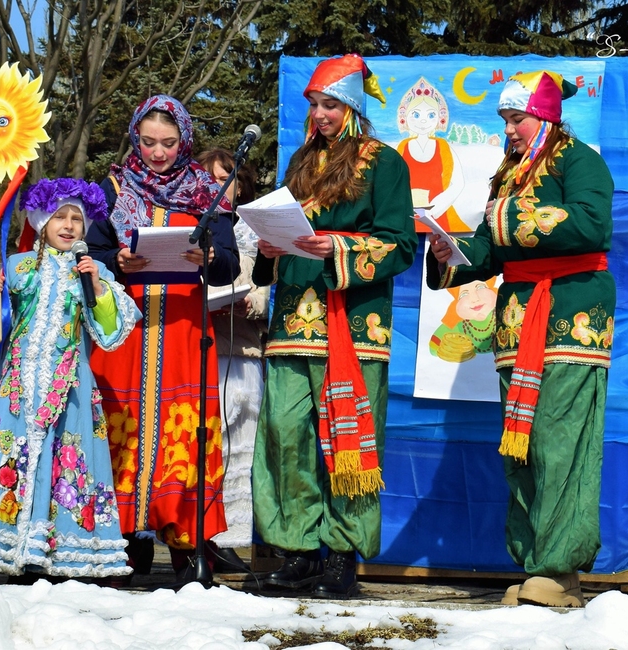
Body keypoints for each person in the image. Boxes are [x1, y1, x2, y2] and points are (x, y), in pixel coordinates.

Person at [427, 70, 615, 607]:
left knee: (559, 442)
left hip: (569, 317)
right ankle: (538, 564)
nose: (508, 129)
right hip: (517, 322)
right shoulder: (509, 174)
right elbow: (491, 249)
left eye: (517, 119)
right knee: (523, 446)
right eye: (505, 120)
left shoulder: (579, 160)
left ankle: (558, 568)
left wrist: (506, 220)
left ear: (546, 117)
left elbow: (592, 225)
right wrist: (450, 253)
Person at [251, 54, 417, 598]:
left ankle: (342, 556)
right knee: (285, 434)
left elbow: (399, 244)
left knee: (348, 437)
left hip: (353, 322)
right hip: (291, 321)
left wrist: (338, 247)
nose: (320, 114)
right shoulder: (300, 161)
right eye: (315, 105)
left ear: (352, 107)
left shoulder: (384, 163)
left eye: (330, 105)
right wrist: (270, 249)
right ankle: (297, 551)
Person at [85, 95, 240, 578]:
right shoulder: (111, 189)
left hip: (183, 330)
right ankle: (124, 540)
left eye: (169, 143)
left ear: (184, 141)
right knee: (123, 424)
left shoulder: (206, 192)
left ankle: (186, 540)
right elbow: (86, 252)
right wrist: (116, 261)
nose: (157, 152)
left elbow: (229, 265)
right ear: (135, 137)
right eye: (149, 142)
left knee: (184, 429)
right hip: (123, 331)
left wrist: (210, 258)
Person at [0, 178, 140, 580]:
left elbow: (110, 332)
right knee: (11, 454)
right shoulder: (16, 267)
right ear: (42, 221)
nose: (68, 226)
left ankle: (59, 551)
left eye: (76, 219)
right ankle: (4, 546)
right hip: (17, 384)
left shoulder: (93, 270)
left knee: (67, 459)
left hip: (69, 388)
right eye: (59, 217)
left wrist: (97, 286)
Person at [197, 148, 269, 573]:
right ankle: (195, 534)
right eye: (211, 179)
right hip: (199, 351)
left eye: (229, 179)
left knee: (240, 447)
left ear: (243, 186)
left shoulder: (256, 230)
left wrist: (252, 302)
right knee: (204, 444)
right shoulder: (192, 223)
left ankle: (229, 537)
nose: (220, 187)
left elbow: (269, 288)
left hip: (241, 352)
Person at [397, 76, 469, 233]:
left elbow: (458, 183)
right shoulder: (403, 147)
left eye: (430, 115)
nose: (423, 121)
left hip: (437, 216)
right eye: (416, 115)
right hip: (407, 216)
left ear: (440, 119)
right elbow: (393, 181)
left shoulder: (443, 146)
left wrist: (436, 209)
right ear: (405, 118)